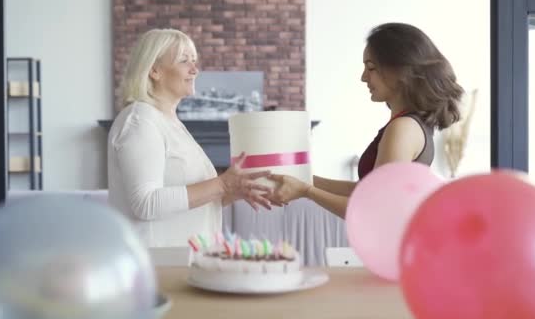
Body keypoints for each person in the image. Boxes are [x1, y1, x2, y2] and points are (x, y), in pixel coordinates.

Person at [267, 22, 463, 218]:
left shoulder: (403, 128)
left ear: (402, 70)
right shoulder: (409, 125)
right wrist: (304, 180)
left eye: (371, 68)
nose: (363, 77)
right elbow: (366, 191)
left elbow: (373, 208)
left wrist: (306, 191)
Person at [108, 29, 271, 248]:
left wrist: (232, 190)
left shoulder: (171, 123)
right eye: (184, 61)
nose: (195, 70)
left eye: (194, 61)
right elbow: (146, 204)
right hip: (157, 267)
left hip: (185, 262)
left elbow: (189, 200)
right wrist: (222, 184)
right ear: (154, 71)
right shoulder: (140, 122)